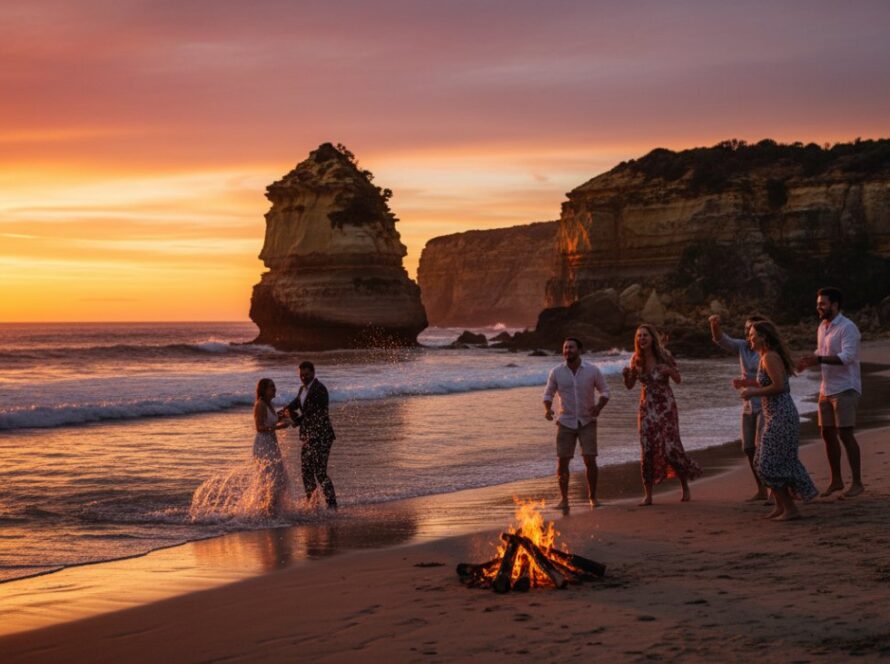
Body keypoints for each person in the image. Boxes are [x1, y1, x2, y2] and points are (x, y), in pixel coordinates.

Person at [737, 321, 818, 520]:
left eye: (753, 334)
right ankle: (781, 506)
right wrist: (749, 386)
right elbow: (771, 381)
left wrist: (753, 392)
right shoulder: (765, 356)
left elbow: (780, 386)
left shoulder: (770, 357)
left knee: (767, 463)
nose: (749, 338)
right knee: (761, 460)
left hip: (781, 414)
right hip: (775, 414)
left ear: (764, 337)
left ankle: (791, 509)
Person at [622, 324, 701, 506]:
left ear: (652, 338)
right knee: (647, 447)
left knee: (670, 446)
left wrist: (670, 371)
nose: (642, 339)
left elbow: (678, 379)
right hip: (646, 408)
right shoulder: (636, 359)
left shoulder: (664, 356)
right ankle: (648, 495)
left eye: (645, 336)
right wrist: (626, 376)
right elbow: (629, 386)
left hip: (665, 406)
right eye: (639, 336)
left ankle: (685, 486)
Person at [796, 287, 864, 497]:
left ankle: (857, 483)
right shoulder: (822, 327)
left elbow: (847, 357)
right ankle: (836, 480)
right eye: (818, 304)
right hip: (826, 388)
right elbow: (822, 352)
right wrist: (809, 361)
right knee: (827, 434)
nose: (819, 307)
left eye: (822, 304)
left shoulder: (848, 327)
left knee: (845, 433)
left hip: (846, 387)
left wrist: (819, 359)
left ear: (835, 305)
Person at [543, 337, 610, 511]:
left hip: (587, 421)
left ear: (579, 350)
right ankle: (564, 499)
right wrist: (548, 409)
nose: (567, 351)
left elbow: (605, 392)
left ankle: (593, 497)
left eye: (571, 348)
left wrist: (599, 407)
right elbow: (548, 394)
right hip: (565, 422)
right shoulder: (556, 372)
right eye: (565, 348)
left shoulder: (592, 370)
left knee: (590, 459)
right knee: (562, 461)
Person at [709, 313, 769, 501]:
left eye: (751, 330)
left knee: (763, 449)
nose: (748, 334)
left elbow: (774, 382)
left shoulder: (768, 352)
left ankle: (773, 490)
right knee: (748, 448)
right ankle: (760, 488)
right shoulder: (743, 346)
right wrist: (714, 324)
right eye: (746, 330)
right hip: (748, 405)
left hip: (766, 404)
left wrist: (746, 382)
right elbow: (721, 339)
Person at [284, 361, 337, 509]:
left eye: (306, 374)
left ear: (313, 373)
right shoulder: (302, 389)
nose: (304, 377)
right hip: (308, 436)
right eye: (301, 375)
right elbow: (293, 405)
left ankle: (332, 506)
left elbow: (315, 414)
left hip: (322, 436)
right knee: (306, 471)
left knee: (320, 473)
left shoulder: (320, 389)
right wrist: (278, 414)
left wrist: (294, 421)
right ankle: (313, 504)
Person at [253, 378, 292, 516]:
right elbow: (259, 428)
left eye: (274, 386)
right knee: (269, 478)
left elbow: (272, 420)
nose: (274, 389)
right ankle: (266, 511)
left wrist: (285, 417)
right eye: (271, 387)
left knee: (279, 478)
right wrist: (279, 427)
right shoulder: (260, 405)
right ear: (263, 390)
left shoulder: (270, 404)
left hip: (271, 443)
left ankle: (272, 509)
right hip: (263, 444)